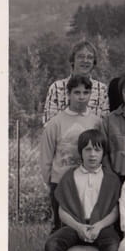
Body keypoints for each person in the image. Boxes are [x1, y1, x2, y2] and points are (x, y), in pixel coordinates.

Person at [44, 129, 120, 251]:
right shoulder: (70, 177)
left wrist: (99, 226)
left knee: (112, 245)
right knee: (53, 243)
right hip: (75, 225)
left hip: (101, 225)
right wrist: (78, 227)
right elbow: (62, 210)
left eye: (97, 150)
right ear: (81, 152)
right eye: (88, 149)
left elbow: (115, 211)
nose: (92, 154)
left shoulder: (111, 179)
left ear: (103, 153)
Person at [40, 75, 102, 231]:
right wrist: (50, 182)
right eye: (77, 92)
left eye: (86, 92)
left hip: (89, 182)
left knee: (86, 226)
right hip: (61, 182)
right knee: (60, 228)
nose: (81, 97)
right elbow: (46, 155)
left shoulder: (96, 122)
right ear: (68, 94)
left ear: (90, 94)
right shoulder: (55, 123)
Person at [42, 40, 109, 124]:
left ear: (94, 62)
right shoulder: (57, 88)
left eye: (90, 57)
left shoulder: (102, 89)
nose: (85, 60)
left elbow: (105, 124)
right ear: (72, 60)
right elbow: (48, 123)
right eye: (81, 56)